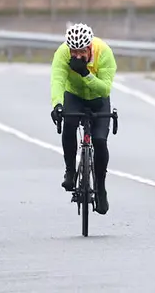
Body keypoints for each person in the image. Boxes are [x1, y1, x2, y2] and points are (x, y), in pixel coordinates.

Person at [50, 22, 117, 215]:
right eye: (74, 52)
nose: (77, 56)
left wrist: (85, 73)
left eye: (81, 52)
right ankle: (70, 171)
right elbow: (57, 80)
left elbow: (105, 89)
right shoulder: (62, 53)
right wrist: (57, 104)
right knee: (69, 124)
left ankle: (101, 188)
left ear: (90, 48)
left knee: (99, 140)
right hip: (74, 96)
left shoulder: (104, 52)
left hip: (98, 99)